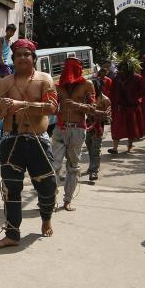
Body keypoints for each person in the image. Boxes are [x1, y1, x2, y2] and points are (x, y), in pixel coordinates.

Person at [0, 38, 58, 248]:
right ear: (14, 59)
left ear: (33, 58)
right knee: (11, 189)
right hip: (11, 140)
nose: (23, 58)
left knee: (47, 185)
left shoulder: (45, 79)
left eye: (27, 54)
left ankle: (46, 218)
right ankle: (12, 234)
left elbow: (52, 108)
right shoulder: (4, 82)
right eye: (18, 55)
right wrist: (0, 110)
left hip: (39, 140)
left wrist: (21, 104)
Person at [52, 57, 99, 211]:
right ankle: (51, 199)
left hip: (78, 129)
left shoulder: (87, 84)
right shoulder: (57, 86)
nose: (70, 71)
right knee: (54, 165)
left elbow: (93, 109)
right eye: (67, 66)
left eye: (74, 66)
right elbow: (51, 107)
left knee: (73, 166)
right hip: (60, 128)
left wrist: (76, 105)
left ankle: (67, 200)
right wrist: (57, 107)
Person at [107, 56, 145, 154]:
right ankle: (115, 148)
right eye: (121, 69)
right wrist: (109, 105)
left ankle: (129, 146)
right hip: (119, 108)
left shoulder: (138, 78)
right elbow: (112, 93)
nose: (123, 72)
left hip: (132, 108)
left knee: (132, 129)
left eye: (125, 69)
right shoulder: (117, 79)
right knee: (116, 128)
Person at [86, 63, 112, 182]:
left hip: (98, 127)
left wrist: (97, 115)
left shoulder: (105, 100)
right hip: (86, 125)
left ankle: (94, 171)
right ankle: (92, 166)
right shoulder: (87, 99)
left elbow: (107, 117)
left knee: (95, 148)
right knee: (89, 146)